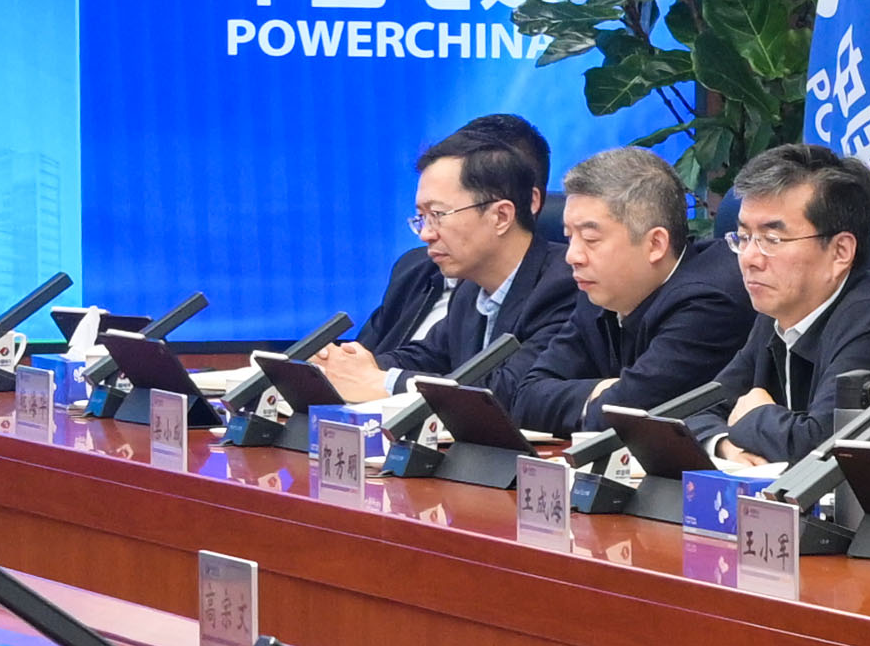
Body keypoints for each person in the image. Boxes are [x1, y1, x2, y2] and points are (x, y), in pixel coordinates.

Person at [496, 144, 749, 432]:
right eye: (569, 237)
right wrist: (604, 389)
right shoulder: (602, 292)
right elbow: (525, 399)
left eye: (590, 239)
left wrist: (605, 397)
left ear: (655, 244)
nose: (572, 256)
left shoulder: (711, 302)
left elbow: (628, 418)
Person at [702, 143, 870, 456]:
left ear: (840, 251)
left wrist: (753, 417)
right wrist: (725, 445)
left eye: (772, 239)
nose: (750, 258)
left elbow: (827, 447)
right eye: (744, 238)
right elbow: (694, 409)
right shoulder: (780, 311)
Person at [303, 115, 550, 408]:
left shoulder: (564, 287)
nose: (426, 234)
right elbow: (424, 357)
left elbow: (513, 390)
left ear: (501, 216)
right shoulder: (470, 289)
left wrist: (383, 383)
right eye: (422, 218)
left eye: (438, 215)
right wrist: (344, 365)